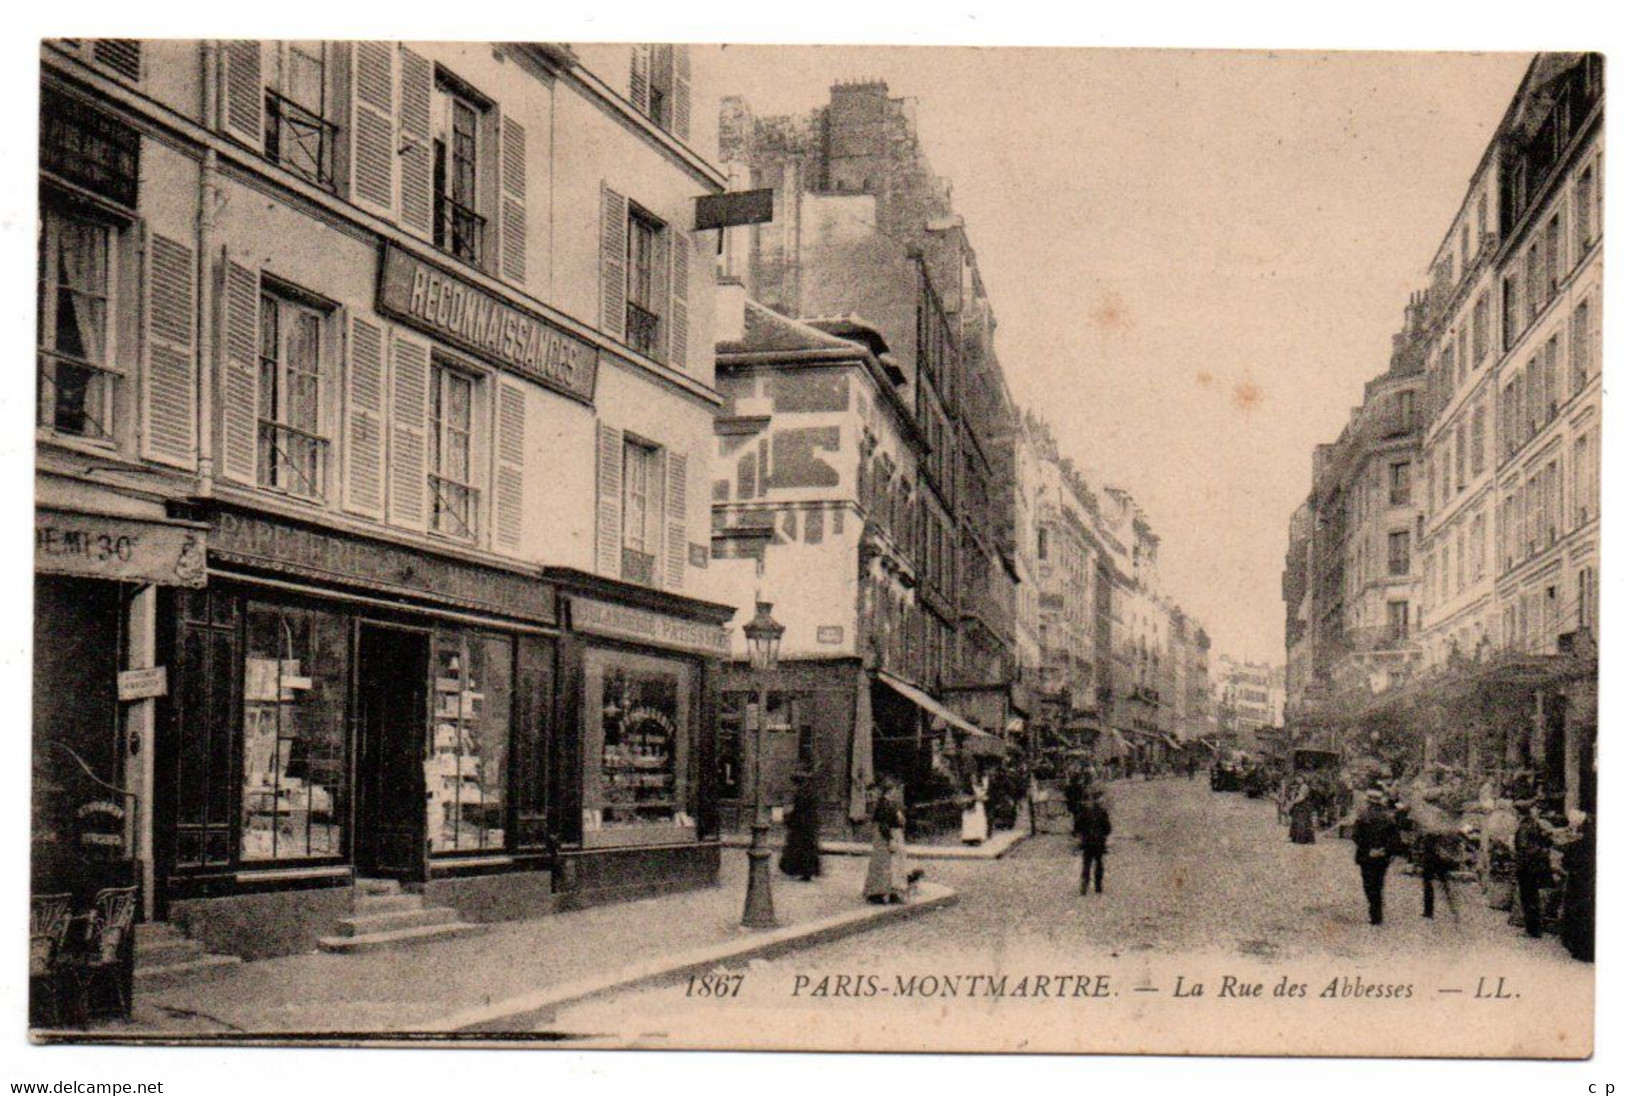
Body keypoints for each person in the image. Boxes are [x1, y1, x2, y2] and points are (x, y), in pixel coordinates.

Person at [1351, 789, 1400, 925]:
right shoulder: (1389, 818)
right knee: (1378, 883)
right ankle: (1377, 913)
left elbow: (1356, 836)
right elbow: (1395, 840)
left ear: (1368, 802)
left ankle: (1374, 911)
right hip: (1382, 857)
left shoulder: (1363, 816)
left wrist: (1369, 850)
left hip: (1366, 855)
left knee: (1368, 884)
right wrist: (1385, 850)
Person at [863, 777, 909, 904]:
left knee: (895, 864)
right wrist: (890, 840)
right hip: (887, 836)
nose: (894, 792)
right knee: (884, 864)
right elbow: (883, 824)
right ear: (888, 791)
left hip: (895, 834)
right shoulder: (883, 804)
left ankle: (893, 891)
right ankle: (877, 892)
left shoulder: (892, 803)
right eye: (893, 790)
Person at [1513, 802, 1553, 938]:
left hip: (1527, 866)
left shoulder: (1524, 826)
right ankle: (1534, 929)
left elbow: (1524, 847)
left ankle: (1531, 930)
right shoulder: (1535, 824)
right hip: (1535, 866)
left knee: (1528, 898)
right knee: (1533, 898)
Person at [1559, 810, 1594, 962]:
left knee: (1577, 912)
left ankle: (1577, 948)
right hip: (1590, 881)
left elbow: (1566, 862)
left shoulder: (1578, 844)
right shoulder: (1591, 841)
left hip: (1578, 881)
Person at [779, 766, 822, 882]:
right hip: (809, 822)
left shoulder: (802, 792)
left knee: (800, 847)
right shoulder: (811, 790)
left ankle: (803, 871)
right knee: (807, 846)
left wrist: (789, 818)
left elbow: (798, 808)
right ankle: (806, 871)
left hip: (802, 823)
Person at [1074, 787, 1112, 896]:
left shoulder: (1082, 813)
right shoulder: (1102, 812)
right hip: (1099, 841)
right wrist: (1103, 835)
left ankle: (1085, 883)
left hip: (1087, 841)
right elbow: (1108, 828)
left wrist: (1080, 836)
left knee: (1087, 862)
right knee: (1099, 862)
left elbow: (1077, 828)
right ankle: (1098, 885)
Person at [960, 768, 990, 845]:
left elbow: (983, 794)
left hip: (978, 806)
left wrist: (983, 798)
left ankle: (978, 837)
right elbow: (966, 797)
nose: (974, 779)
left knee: (978, 821)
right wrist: (975, 798)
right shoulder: (967, 788)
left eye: (975, 778)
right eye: (972, 778)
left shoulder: (978, 786)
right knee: (970, 822)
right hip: (970, 807)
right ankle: (969, 838)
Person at [1288, 778, 1316, 844]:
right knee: (1295, 821)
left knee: (1303, 822)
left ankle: (1306, 839)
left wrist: (1293, 802)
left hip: (1304, 806)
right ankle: (1294, 838)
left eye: (1300, 778)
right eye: (1297, 778)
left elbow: (1301, 797)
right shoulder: (1297, 786)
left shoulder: (1304, 786)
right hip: (1298, 806)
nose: (1298, 779)